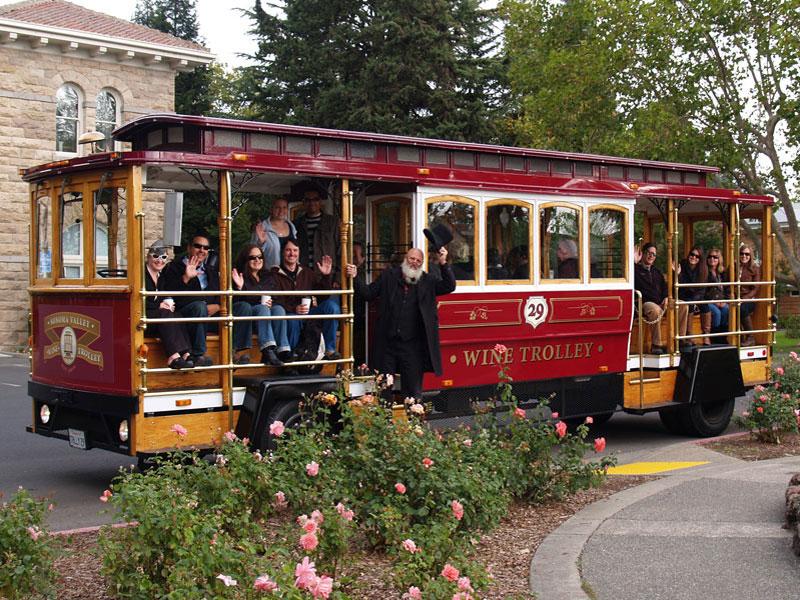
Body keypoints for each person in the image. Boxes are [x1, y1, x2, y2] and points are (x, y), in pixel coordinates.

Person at [345, 246, 456, 400]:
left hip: (412, 346)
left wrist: (443, 262)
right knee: (383, 388)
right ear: (405, 259)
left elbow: (449, 286)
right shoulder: (388, 276)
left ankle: (412, 421)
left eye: (419, 261)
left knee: (412, 392)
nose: (414, 263)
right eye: (412, 258)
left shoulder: (427, 281)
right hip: (388, 344)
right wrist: (355, 277)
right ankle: (383, 421)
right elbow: (368, 293)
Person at [271, 237, 341, 360]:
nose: (292, 253)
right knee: (292, 320)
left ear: (299, 253)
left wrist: (326, 276)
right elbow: (275, 300)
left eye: (295, 250)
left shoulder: (307, 272)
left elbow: (323, 296)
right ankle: (291, 359)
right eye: (288, 250)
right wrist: (294, 308)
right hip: (290, 313)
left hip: (309, 313)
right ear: (282, 252)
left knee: (332, 307)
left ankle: (330, 349)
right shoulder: (275, 273)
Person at [160, 233, 223, 367]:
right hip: (185, 315)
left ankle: (235, 354)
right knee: (199, 307)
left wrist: (217, 306)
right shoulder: (174, 267)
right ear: (189, 248)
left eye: (205, 248)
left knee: (240, 307)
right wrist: (186, 278)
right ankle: (198, 355)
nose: (202, 250)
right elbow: (169, 293)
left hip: (210, 315)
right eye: (197, 246)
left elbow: (220, 295)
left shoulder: (210, 271)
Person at [231, 244, 289, 366]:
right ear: (245, 260)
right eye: (253, 258)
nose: (257, 260)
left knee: (278, 309)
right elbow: (238, 302)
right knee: (262, 308)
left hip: (265, 317)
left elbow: (279, 298)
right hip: (248, 318)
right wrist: (240, 288)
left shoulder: (268, 276)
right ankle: (267, 350)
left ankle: (283, 350)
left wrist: (272, 302)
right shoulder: (239, 276)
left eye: (260, 257)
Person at [144, 240, 194, 369]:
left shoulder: (161, 276)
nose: (160, 260)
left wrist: (186, 278)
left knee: (177, 315)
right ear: (149, 257)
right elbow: (139, 301)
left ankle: (186, 353)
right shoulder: (141, 275)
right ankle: (173, 356)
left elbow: (170, 291)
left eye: (164, 257)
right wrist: (160, 306)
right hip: (141, 318)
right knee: (164, 313)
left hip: (155, 317)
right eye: (156, 256)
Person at [634, 242, 668, 354]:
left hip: (660, 302)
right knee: (655, 309)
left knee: (681, 305)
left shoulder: (656, 271)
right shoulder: (635, 270)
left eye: (653, 254)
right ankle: (656, 344)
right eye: (648, 253)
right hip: (644, 303)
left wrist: (666, 298)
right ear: (642, 254)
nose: (651, 256)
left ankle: (679, 341)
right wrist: (634, 263)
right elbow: (629, 280)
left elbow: (664, 288)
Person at [294, 187, 339, 272]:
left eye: (315, 199)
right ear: (303, 202)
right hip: (303, 273)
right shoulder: (297, 224)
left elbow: (341, 249)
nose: (312, 202)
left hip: (327, 273)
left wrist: (338, 278)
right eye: (308, 200)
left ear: (320, 201)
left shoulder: (333, 223)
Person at [251, 197, 297, 268]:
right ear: (271, 209)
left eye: (284, 207)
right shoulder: (262, 228)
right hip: (271, 273)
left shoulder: (292, 227)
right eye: (277, 207)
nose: (281, 210)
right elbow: (252, 253)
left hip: (290, 272)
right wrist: (260, 243)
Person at [677, 246, 707, 348]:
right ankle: (689, 335)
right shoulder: (682, 265)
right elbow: (681, 286)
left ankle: (706, 336)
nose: (694, 257)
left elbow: (702, 290)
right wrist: (678, 274)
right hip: (683, 295)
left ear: (700, 259)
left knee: (705, 305)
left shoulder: (702, 269)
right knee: (689, 304)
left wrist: (696, 301)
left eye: (697, 256)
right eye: (692, 254)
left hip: (696, 297)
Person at [704, 248, 729, 342]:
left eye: (715, 257)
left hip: (721, 300)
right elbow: (703, 291)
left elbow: (726, 289)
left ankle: (723, 337)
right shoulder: (705, 272)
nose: (712, 259)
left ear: (719, 259)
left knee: (726, 310)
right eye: (710, 257)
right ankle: (715, 338)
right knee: (717, 313)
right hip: (708, 301)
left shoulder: (722, 273)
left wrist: (725, 300)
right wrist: (714, 301)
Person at [738, 244, 761, 346]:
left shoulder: (754, 268)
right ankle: (736, 336)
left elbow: (755, 288)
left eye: (747, 254)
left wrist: (744, 298)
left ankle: (750, 337)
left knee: (742, 308)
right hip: (734, 298)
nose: (744, 256)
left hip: (749, 299)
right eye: (742, 254)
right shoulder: (734, 266)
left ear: (750, 255)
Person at [352, 241, 367, 365]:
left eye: (355, 255)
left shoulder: (365, 273)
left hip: (361, 314)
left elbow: (365, 292)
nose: (353, 259)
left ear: (363, 258)